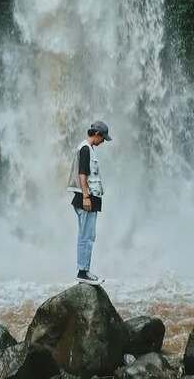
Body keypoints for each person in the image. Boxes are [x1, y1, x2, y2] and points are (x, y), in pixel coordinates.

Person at [65, 120, 111, 284]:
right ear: (97, 134)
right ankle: (82, 272)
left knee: (88, 235)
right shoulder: (85, 149)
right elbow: (82, 174)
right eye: (103, 138)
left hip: (89, 199)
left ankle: (84, 270)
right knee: (86, 236)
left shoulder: (88, 148)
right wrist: (85, 196)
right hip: (86, 199)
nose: (103, 141)